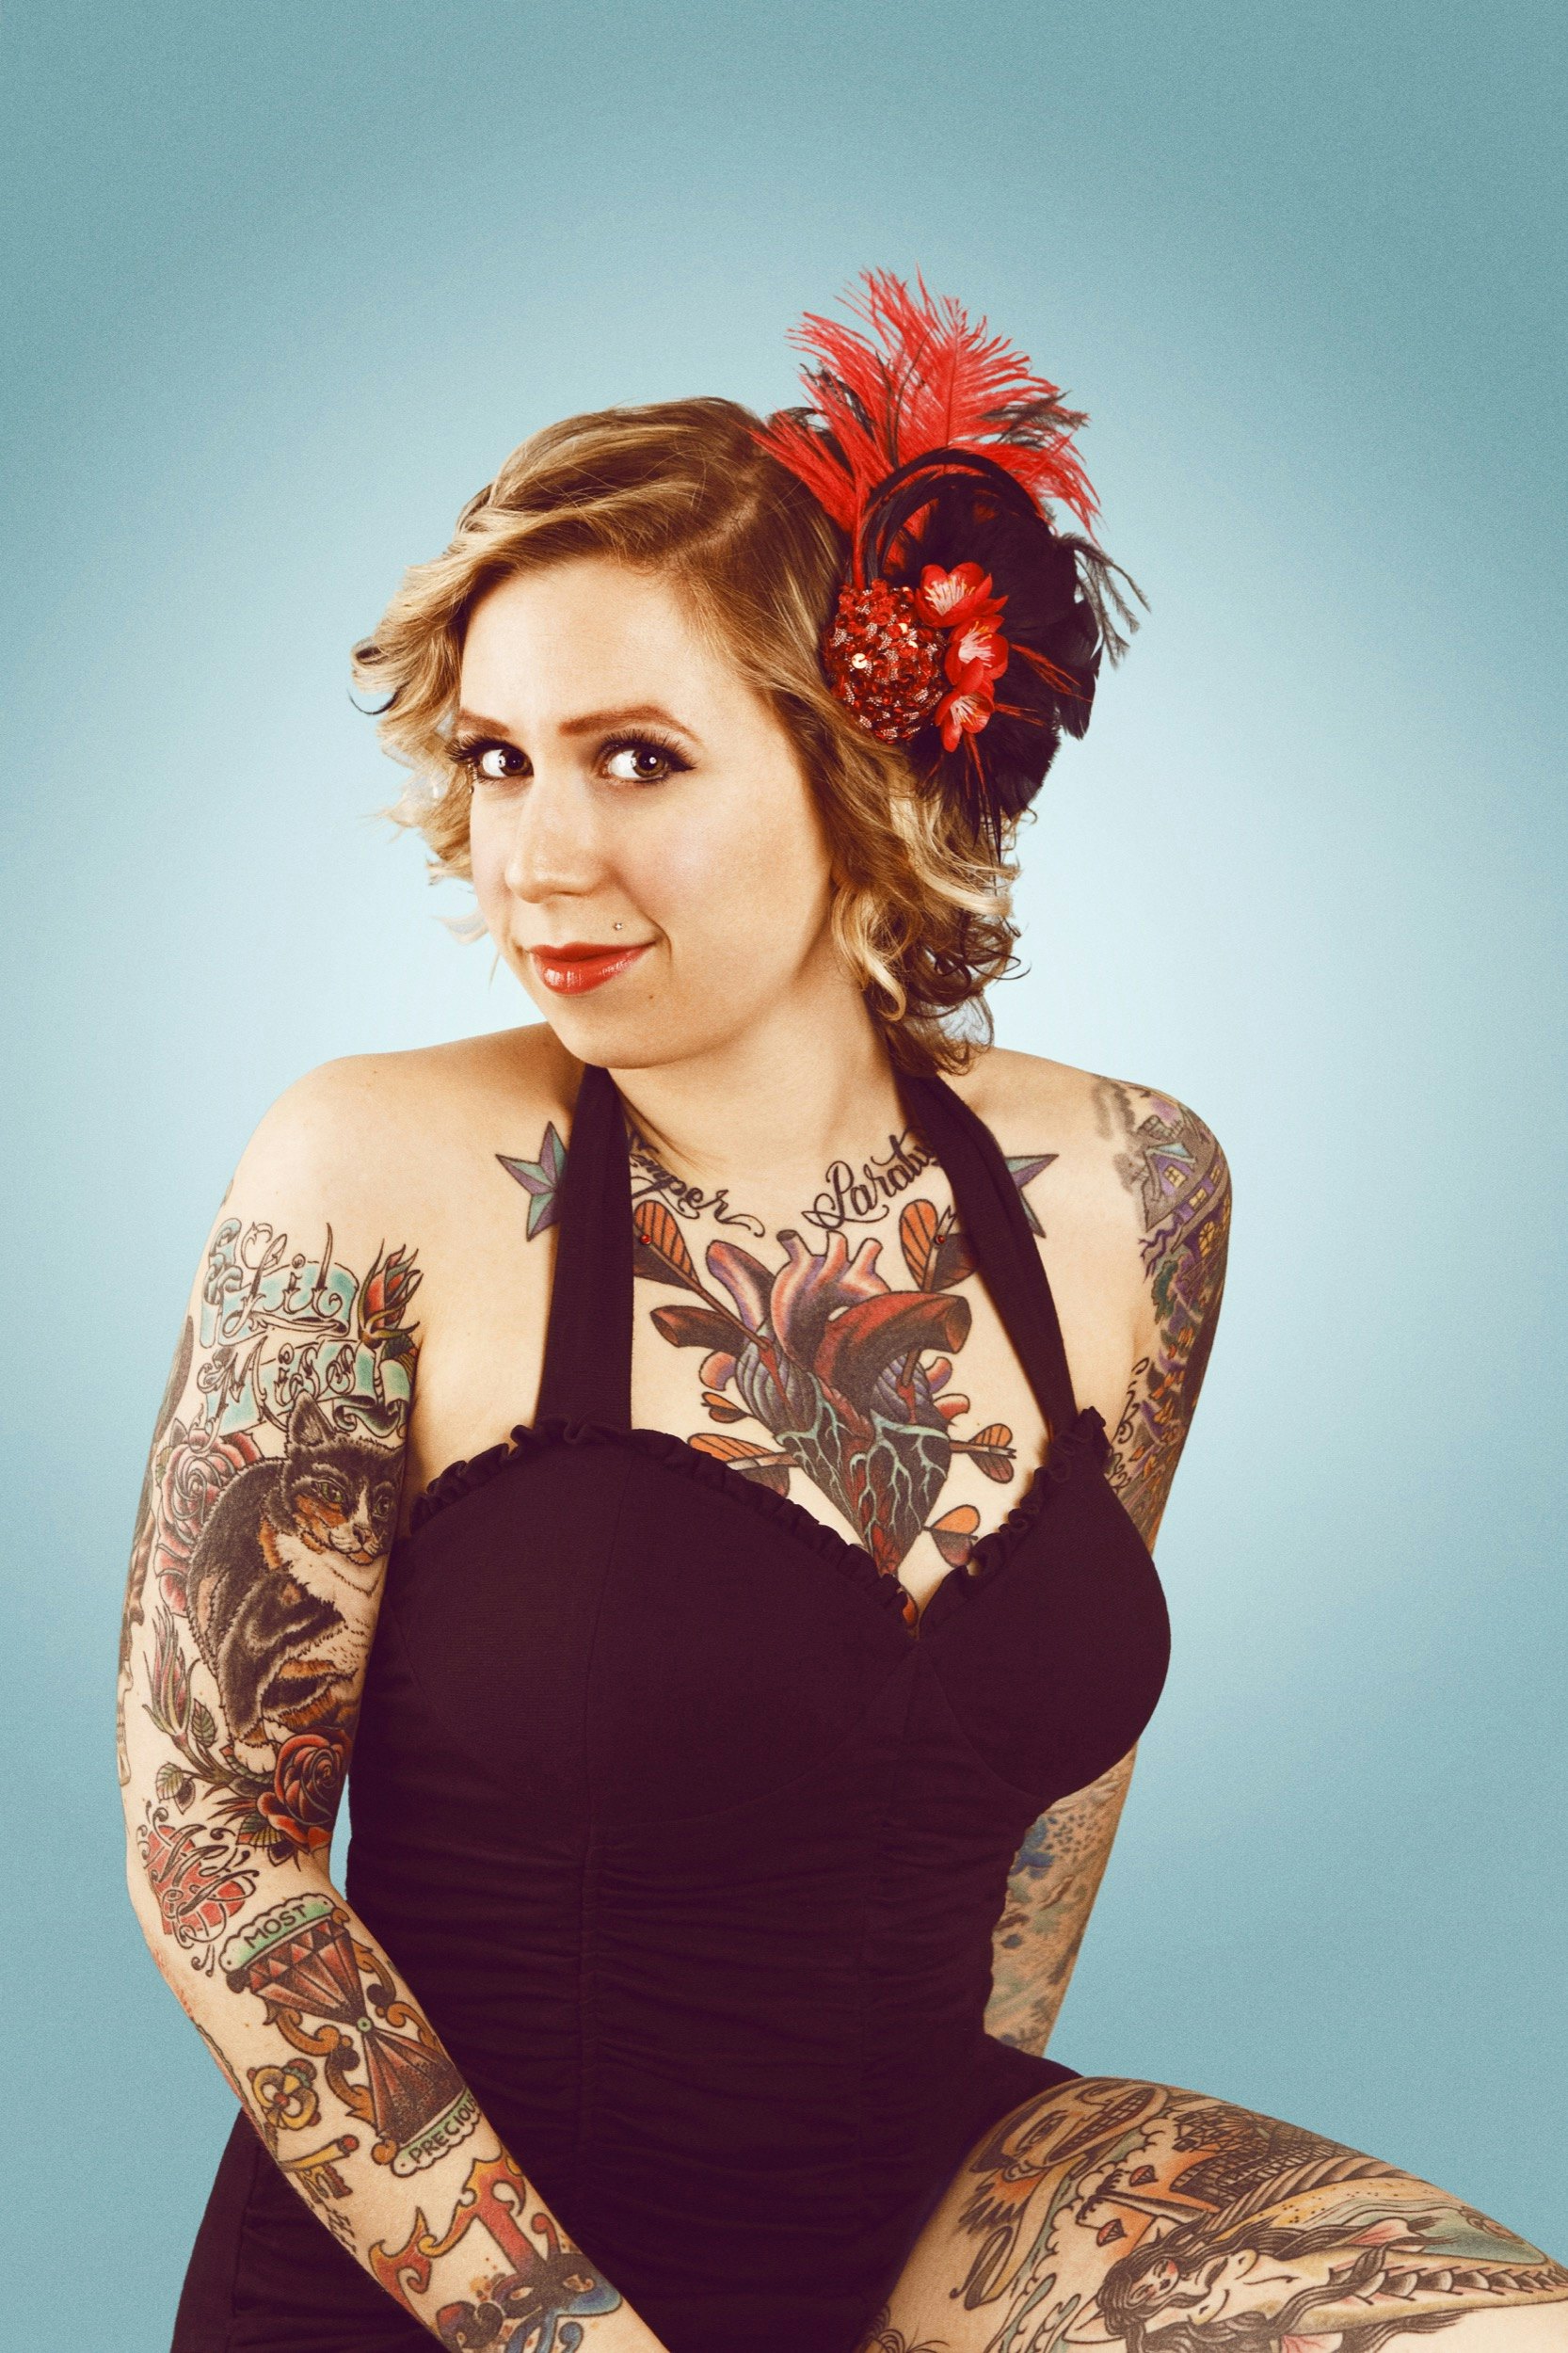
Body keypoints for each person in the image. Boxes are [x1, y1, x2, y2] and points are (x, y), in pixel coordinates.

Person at [118, 272, 1567, 2353]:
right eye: (499, 759)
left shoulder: (1133, 1188)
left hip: (905, 2193)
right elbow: (213, 1846)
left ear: (855, 765)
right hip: (450, 2266)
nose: (536, 854)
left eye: (635, 758)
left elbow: (1036, 1808)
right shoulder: (369, 1167)